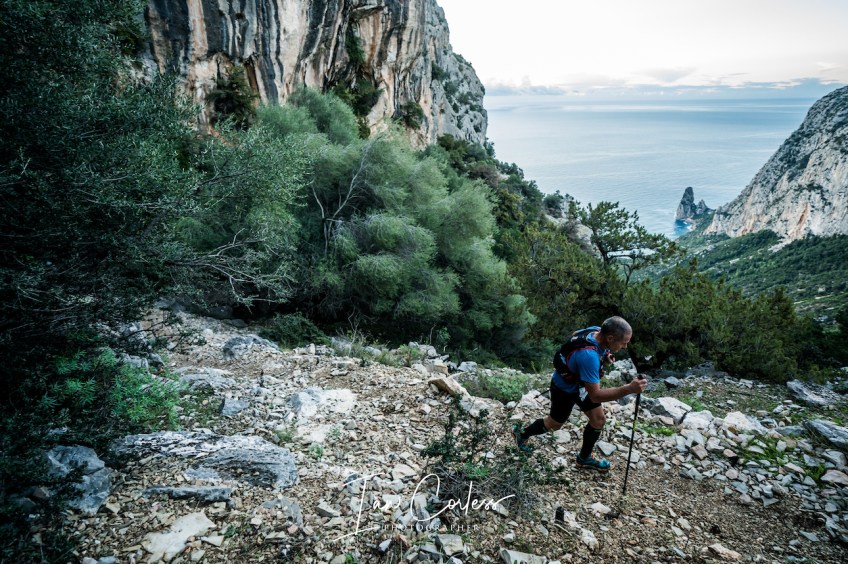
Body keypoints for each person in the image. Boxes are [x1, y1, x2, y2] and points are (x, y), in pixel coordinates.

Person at [513, 316, 647, 472]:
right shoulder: (589, 357)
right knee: (555, 424)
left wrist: (603, 357)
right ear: (610, 338)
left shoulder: (596, 331)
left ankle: (584, 459)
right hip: (564, 388)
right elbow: (595, 395)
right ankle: (521, 434)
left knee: (598, 419)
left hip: (581, 385)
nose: (625, 346)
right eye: (624, 342)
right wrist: (629, 389)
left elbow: (575, 334)